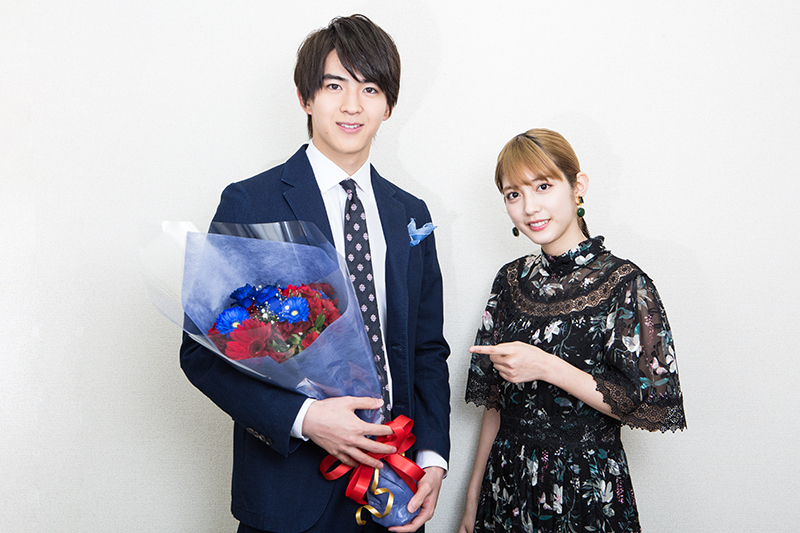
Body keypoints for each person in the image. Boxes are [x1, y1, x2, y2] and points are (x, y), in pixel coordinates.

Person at [180, 15, 450, 533]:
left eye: (370, 89)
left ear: (388, 105)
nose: (352, 105)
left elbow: (426, 349)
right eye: (334, 86)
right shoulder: (251, 202)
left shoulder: (410, 213)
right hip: (290, 493)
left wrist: (433, 457)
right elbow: (201, 353)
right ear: (306, 98)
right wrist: (305, 419)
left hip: (396, 481)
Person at [458, 129, 686, 532]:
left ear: (577, 186)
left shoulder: (624, 283)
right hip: (506, 485)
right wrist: (472, 499)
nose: (529, 207)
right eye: (513, 194)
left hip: (586, 489)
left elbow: (647, 403)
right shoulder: (509, 281)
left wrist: (547, 366)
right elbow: (496, 405)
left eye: (543, 186)